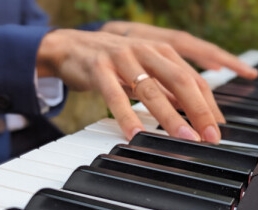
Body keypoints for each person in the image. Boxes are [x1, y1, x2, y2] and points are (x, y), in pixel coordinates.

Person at [0, 0, 257, 164]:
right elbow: (35, 47)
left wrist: (101, 35)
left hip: (32, 141)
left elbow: (26, 33)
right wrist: (49, 49)